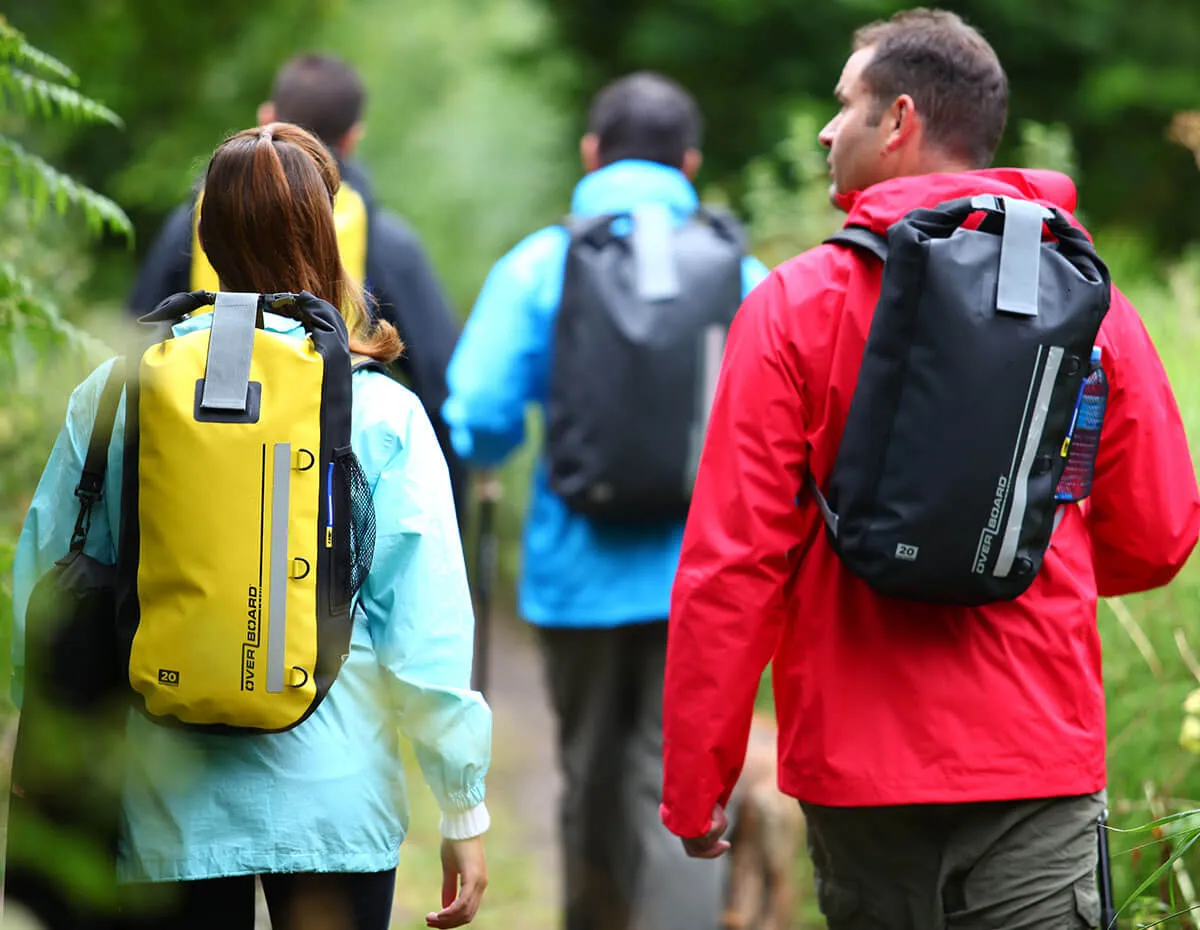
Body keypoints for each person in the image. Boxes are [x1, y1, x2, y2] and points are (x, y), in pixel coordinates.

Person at [659, 9, 1200, 930]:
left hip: (860, 774)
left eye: (845, 105)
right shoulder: (1087, 301)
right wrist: (1023, 547)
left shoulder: (792, 305)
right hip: (1037, 759)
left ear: (898, 120)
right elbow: (1157, 536)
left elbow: (734, 566)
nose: (829, 130)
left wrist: (697, 776)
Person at [13, 122, 492, 930]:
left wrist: (44, 742)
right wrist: (462, 806)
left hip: (171, 796)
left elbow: (46, 585)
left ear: (204, 237)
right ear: (327, 238)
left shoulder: (120, 391)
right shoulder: (376, 409)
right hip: (335, 804)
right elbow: (427, 626)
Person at [441, 71, 769, 930]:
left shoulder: (546, 260)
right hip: (706, 574)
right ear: (691, 162)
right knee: (680, 780)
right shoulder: (739, 268)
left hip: (575, 572)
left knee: (588, 774)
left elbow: (477, 412)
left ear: (591, 153)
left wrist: (491, 454)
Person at [126, 53, 470, 525]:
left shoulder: (191, 223)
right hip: (324, 506)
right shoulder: (388, 244)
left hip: (193, 487)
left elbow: (128, 339)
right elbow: (439, 386)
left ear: (267, 118)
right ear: (352, 138)